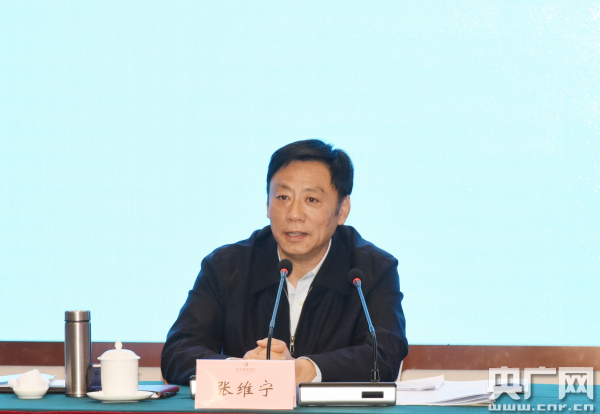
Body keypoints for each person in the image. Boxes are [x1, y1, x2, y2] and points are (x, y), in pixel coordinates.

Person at [161, 139, 408, 386]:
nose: (294, 214)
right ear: (268, 205)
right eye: (283, 197)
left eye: (311, 200)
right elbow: (178, 352)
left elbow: (385, 354)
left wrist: (304, 370)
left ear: (342, 209)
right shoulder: (227, 267)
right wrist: (242, 369)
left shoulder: (372, 270)